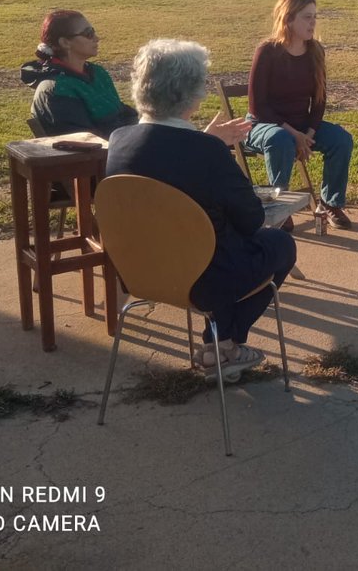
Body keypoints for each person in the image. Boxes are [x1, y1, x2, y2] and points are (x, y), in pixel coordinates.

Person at [106, 39, 293, 381]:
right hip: (203, 280)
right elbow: (251, 219)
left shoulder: (119, 140)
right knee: (279, 245)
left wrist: (208, 142)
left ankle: (219, 347)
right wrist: (211, 147)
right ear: (193, 94)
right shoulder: (206, 152)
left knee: (213, 242)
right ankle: (224, 346)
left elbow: (167, 162)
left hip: (142, 273)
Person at [246, 0, 355, 231]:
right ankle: (279, 208)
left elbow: (319, 100)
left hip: (302, 126)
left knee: (341, 139)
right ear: (288, 19)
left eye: (315, 17)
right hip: (263, 125)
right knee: (280, 139)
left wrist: (308, 132)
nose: (313, 23)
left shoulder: (316, 51)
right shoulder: (267, 51)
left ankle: (331, 204)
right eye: (307, 17)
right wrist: (294, 134)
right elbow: (257, 105)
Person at [20, 9, 137, 138]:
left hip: (122, 144)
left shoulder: (97, 73)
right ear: (65, 42)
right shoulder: (55, 89)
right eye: (88, 34)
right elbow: (84, 140)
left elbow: (121, 112)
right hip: (102, 154)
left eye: (93, 32)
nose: (97, 38)